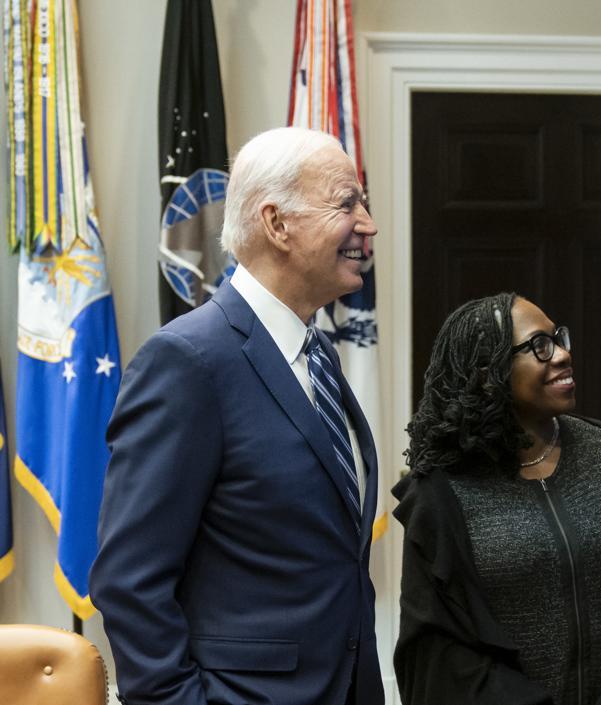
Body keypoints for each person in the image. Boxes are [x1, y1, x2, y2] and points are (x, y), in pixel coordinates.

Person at [91, 127, 384, 705]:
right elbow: (129, 582)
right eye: (347, 203)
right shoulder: (187, 361)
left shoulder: (318, 354)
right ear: (277, 224)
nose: (368, 224)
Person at [393, 293, 601, 705]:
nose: (562, 354)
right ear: (487, 373)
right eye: (540, 346)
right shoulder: (442, 493)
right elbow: (436, 655)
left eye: (558, 338)